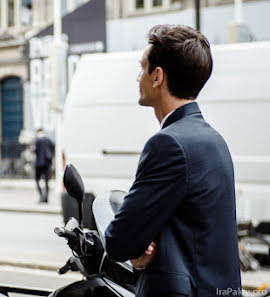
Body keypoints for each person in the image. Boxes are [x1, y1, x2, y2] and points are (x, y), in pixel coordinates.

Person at [104, 24, 241, 297]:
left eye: (142, 68)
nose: (138, 78)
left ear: (157, 76)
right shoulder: (214, 140)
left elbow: (119, 240)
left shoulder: (168, 144)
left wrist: (135, 250)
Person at [34, 128, 54, 203]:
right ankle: (46, 197)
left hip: (39, 164)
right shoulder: (48, 141)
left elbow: (35, 151)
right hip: (47, 164)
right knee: (46, 181)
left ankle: (42, 196)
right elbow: (52, 151)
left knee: (37, 180)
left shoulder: (37, 141)